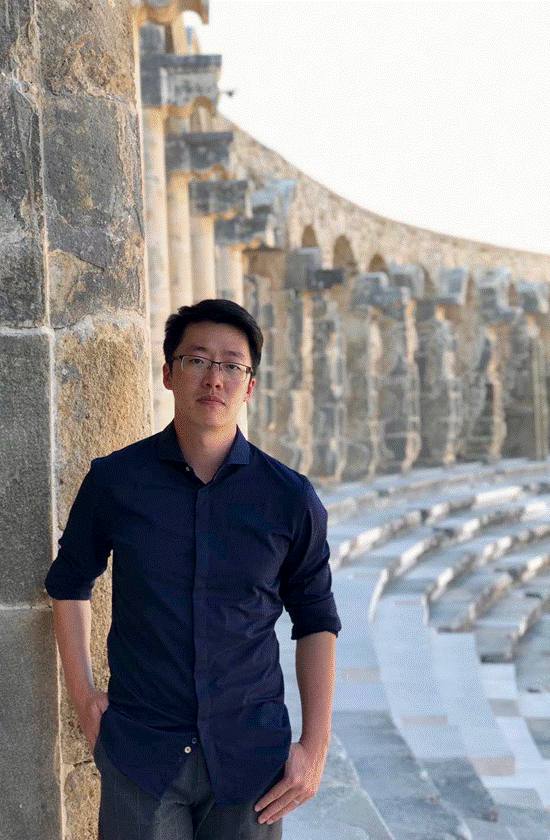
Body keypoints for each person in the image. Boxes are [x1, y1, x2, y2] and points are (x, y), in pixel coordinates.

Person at [45, 298, 341, 840]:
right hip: (142, 753)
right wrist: (84, 698)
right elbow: (68, 584)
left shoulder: (289, 498)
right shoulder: (116, 481)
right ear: (168, 373)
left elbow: (317, 619)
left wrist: (314, 748)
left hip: (250, 761)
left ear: (249, 385)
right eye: (197, 359)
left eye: (232, 365)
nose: (214, 378)